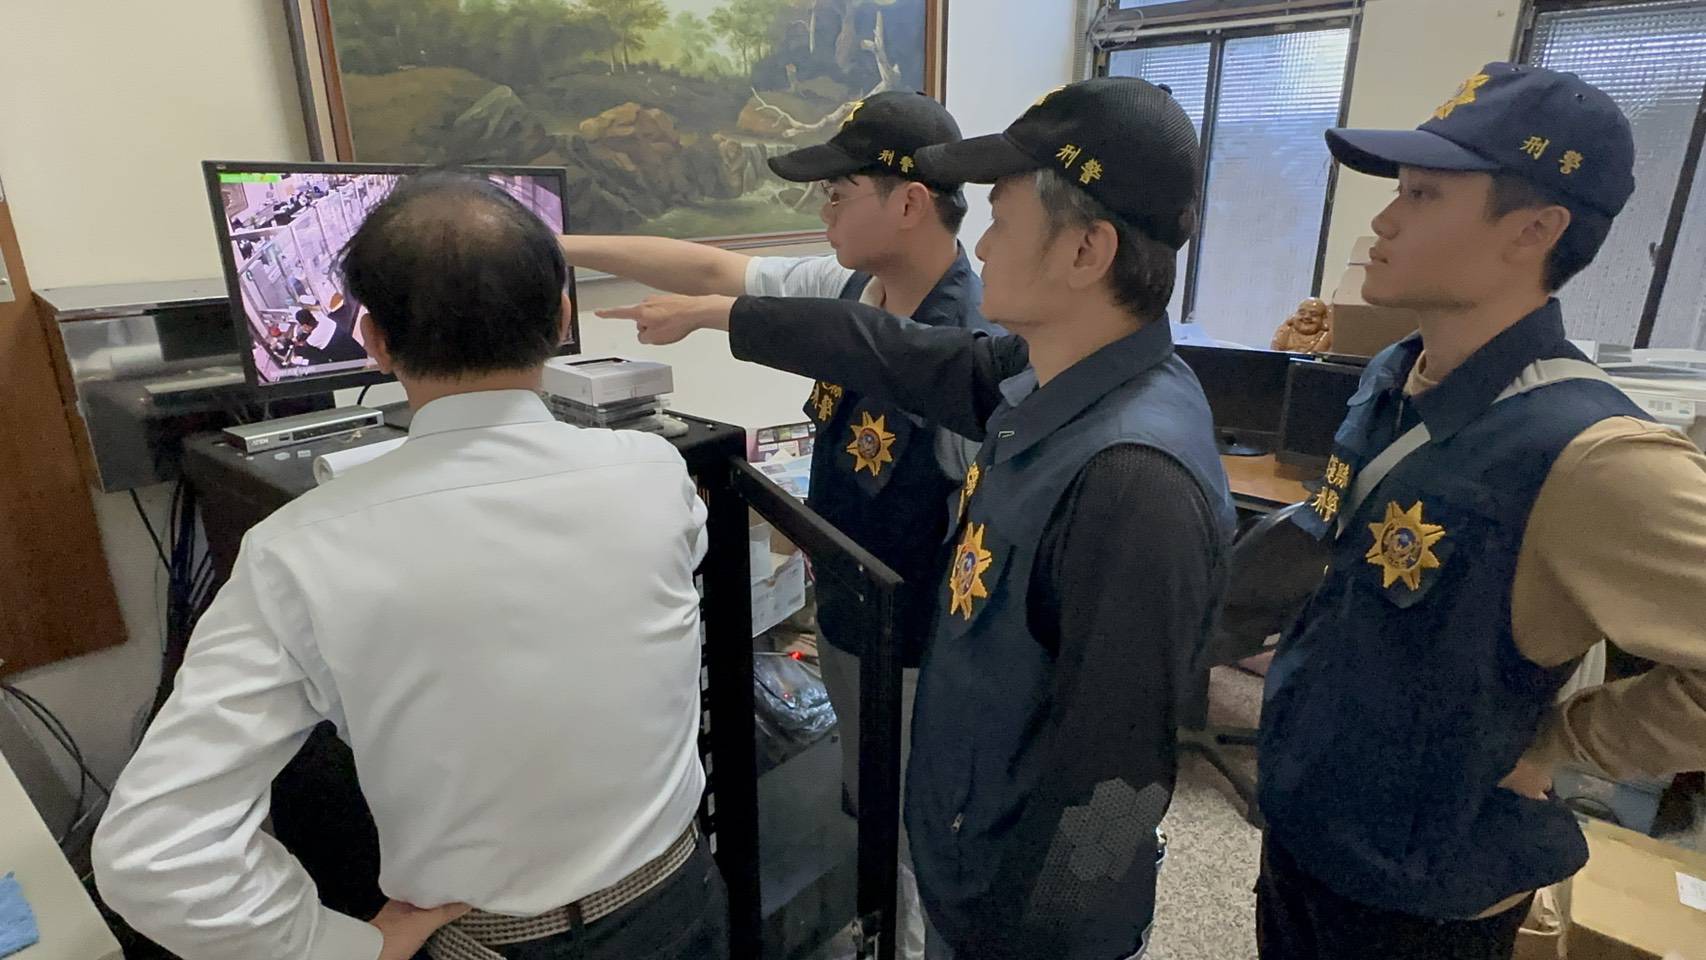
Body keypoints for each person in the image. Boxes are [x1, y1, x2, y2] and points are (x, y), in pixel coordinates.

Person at [602, 77, 1237, 960]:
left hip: (1013, 923)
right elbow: (901, 354)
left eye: (1003, 221)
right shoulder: (1049, 372)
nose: (983, 243)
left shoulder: (1133, 481)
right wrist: (727, 317)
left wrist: (1037, 938)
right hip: (966, 847)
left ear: (1087, 250)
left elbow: (1117, 785)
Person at [93, 172, 727, 960]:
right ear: (562, 319)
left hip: (496, 943)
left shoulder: (302, 548)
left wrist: (340, 948)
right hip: (683, 897)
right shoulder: (655, 472)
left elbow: (155, 854)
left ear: (374, 341)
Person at [1253, 62, 1706, 959]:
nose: (1385, 220)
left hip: (1423, 895)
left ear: (1534, 230)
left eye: (1423, 194)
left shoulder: (1591, 454)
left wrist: (1560, 740)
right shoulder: (1398, 375)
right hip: (1312, 833)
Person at [560, 89, 990, 959]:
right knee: (870, 806)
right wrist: (556, 245)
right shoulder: (852, 284)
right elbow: (711, 270)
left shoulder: (971, 350)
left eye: (838, 192)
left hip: (923, 649)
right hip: (848, 615)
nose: (822, 210)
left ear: (909, 203)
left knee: (917, 833)